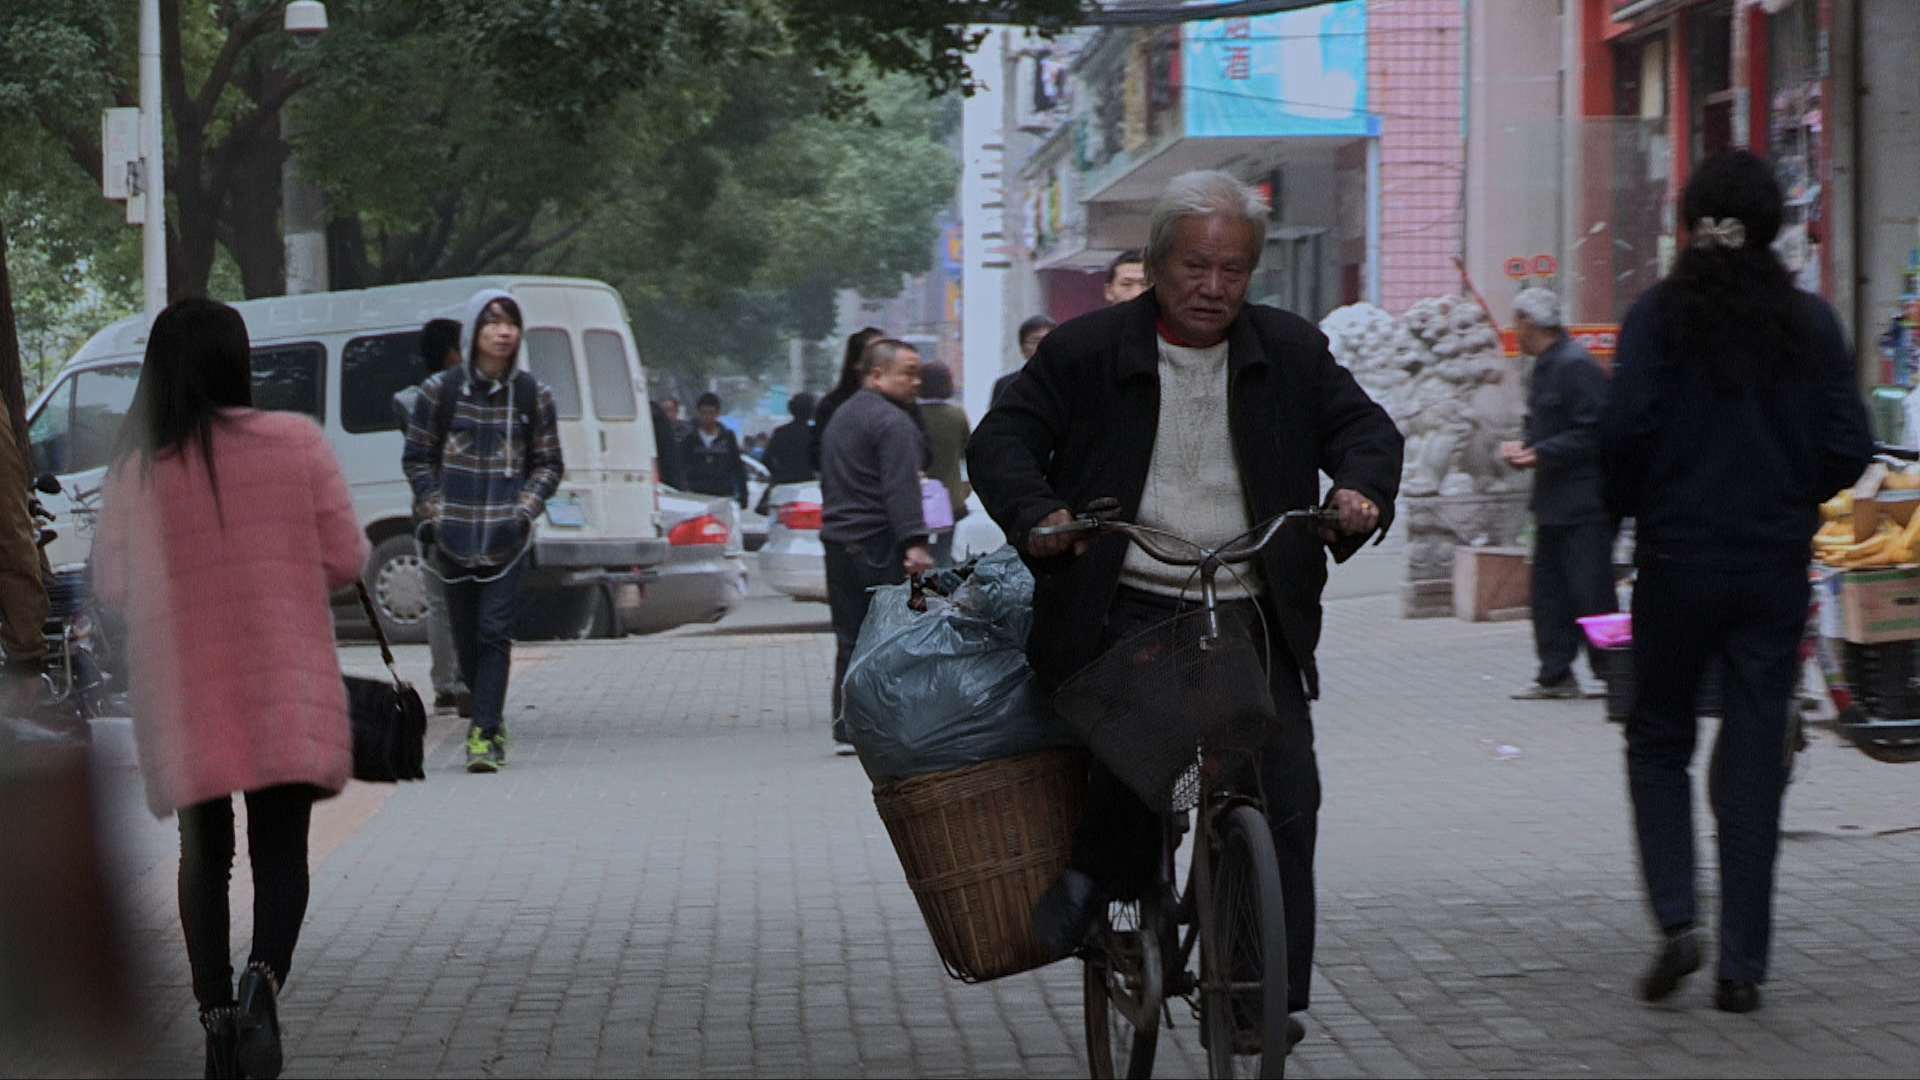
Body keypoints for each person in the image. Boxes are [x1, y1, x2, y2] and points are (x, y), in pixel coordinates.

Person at [969, 170, 1403, 1041]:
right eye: (1196, 267)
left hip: (1254, 605)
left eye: (1234, 271)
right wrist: (1041, 515)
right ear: (1160, 262)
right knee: (1146, 750)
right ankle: (1098, 877)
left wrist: (1359, 489)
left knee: (1285, 789)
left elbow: (1367, 430)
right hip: (1126, 600)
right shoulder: (1085, 352)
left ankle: (1255, 1001)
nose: (1213, 288)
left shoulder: (1291, 351)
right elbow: (1003, 439)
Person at [1598, 149, 1872, 1015]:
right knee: (1756, 751)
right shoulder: (1810, 324)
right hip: (1771, 570)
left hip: (1677, 564)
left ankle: (1679, 918)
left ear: (1690, 227)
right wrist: (1790, 495)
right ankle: (1743, 969)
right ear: (1773, 229)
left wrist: (1639, 508)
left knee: (1658, 737)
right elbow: (1850, 447)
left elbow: (1622, 434)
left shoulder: (1655, 320)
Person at [92, 297, 371, 1080]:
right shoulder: (296, 443)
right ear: (238, 363)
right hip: (283, 684)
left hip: (185, 694)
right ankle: (262, 984)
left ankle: (216, 1022)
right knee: (281, 853)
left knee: (202, 855)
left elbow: (113, 583)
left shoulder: (136, 468)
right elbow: (347, 560)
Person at [403, 289, 564, 774]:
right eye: (493, 322)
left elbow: (549, 463)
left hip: (506, 540)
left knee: (495, 632)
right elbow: (417, 458)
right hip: (453, 536)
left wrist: (524, 510)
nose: (503, 331)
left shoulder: (535, 395)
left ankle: (485, 732)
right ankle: (487, 711)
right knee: (468, 638)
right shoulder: (440, 392)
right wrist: (435, 509)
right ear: (474, 331)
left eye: (511, 323)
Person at [1499, 287, 1617, 700]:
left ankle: (1613, 672)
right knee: (1549, 593)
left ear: (1529, 323)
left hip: (1584, 503)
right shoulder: (1546, 367)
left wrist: (1539, 453)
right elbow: (1542, 421)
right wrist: (1526, 444)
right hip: (1552, 503)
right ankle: (1555, 672)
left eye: (1517, 323)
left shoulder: (1575, 366)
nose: (1515, 332)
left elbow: (1594, 432)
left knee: (1592, 592)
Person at [820, 339, 935, 755]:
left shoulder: (841, 417)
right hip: (877, 543)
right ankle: (881, 727)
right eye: (907, 372)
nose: (916, 381)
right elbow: (900, 489)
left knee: (850, 636)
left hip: (838, 541)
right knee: (887, 638)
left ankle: (847, 724)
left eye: (918, 372)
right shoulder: (893, 423)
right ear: (875, 375)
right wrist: (915, 544)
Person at [392, 318, 469, 717]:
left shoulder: (409, 400)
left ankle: (445, 686)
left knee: (439, 603)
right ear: (453, 353)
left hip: (428, 515)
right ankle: (469, 681)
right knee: (471, 600)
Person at [810, 326, 887, 474]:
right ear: (856, 363)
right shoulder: (832, 405)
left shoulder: (901, 402)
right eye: (876, 354)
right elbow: (816, 455)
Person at [916, 361, 970, 566]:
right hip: (950, 498)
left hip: (917, 497)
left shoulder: (910, 415)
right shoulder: (956, 416)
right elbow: (968, 451)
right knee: (944, 551)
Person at [677, 392, 748, 509]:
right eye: (704, 413)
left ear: (717, 413)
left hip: (722, 494)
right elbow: (681, 465)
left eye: (711, 413)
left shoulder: (728, 437)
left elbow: (737, 467)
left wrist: (743, 495)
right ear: (699, 413)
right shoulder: (690, 438)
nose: (707, 418)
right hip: (696, 494)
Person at [990, 315, 1056, 408]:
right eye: (1035, 341)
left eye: (1047, 340)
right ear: (1023, 349)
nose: (1042, 346)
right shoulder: (1006, 386)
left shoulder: (1069, 382)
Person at [763, 391, 817, 486]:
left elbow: (767, 459)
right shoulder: (815, 434)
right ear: (812, 410)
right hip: (809, 483)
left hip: (783, 483)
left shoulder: (780, 433)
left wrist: (778, 474)